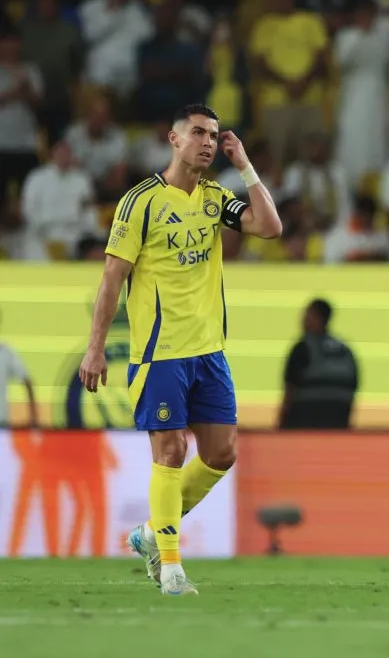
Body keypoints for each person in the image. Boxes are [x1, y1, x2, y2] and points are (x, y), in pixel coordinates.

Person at [78, 104, 283, 595]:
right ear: (173, 139)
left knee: (222, 453)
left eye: (214, 135)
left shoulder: (215, 198)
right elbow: (112, 278)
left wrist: (245, 165)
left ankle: (150, 533)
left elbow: (270, 228)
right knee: (170, 451)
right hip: (159, 352)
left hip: (210, 352)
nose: (207, 142)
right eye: (197, 133)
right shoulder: (140, 202)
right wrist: (96, 348)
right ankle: (170, 566)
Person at [279, 299, 359, 430]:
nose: (303, 319)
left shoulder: (302, 348)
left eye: (307, 314)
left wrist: (282, 426)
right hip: (338, 422)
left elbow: (289, 391)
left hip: (307, 423)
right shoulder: (345, 350)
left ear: (318, 318)